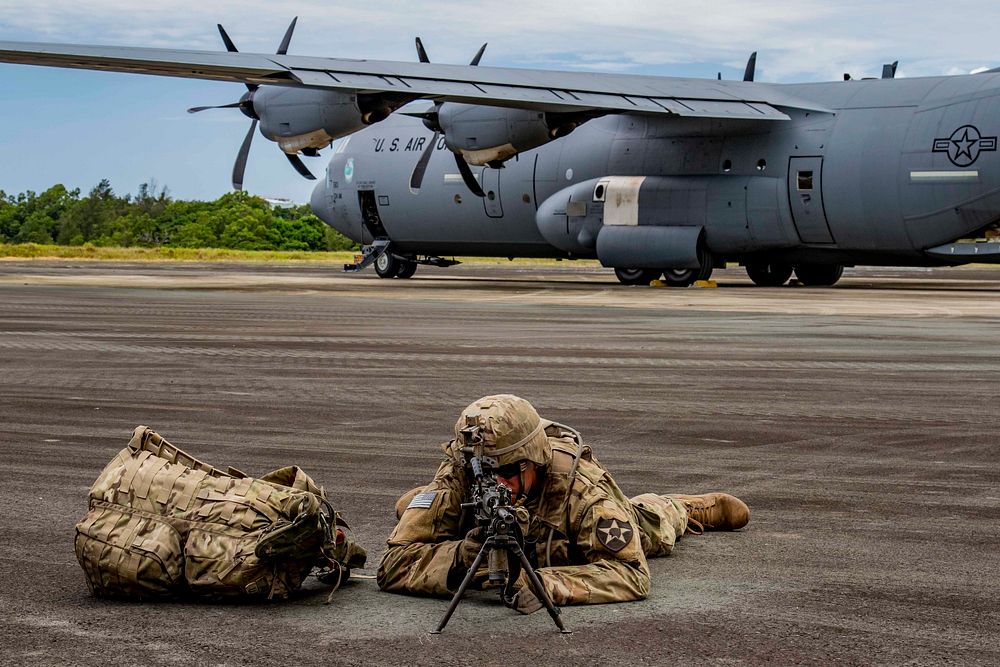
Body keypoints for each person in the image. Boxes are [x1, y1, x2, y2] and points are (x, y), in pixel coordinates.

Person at [377, 394, 750, 613]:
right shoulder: (461, 472)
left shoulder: (583, 492)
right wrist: (461, 557)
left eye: (506, 472)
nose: (492, 483)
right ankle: (422, 506)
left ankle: (682, 508)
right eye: (481, 472)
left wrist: (549, 584)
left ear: (532, 461)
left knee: (645, 526)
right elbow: (390, 567)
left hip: (567, 544)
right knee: (421, 506)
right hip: (475, 532)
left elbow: (632, 576)